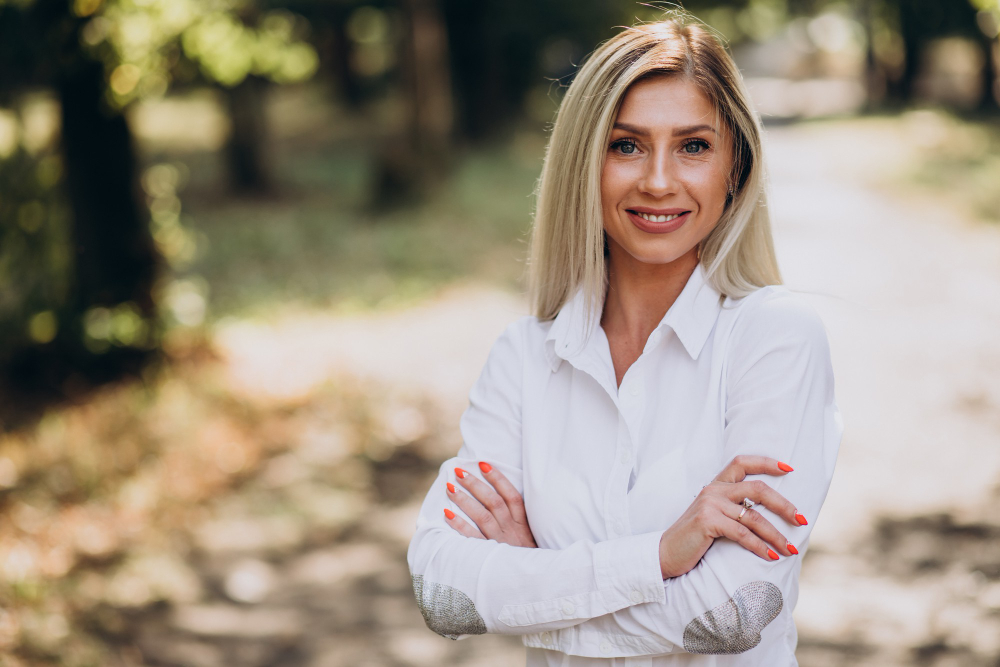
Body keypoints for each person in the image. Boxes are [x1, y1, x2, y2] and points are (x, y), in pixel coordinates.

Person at [407, 12, 842, 666]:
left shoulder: (775, 338)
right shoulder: (524, 357)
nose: (659, 180)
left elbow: (733, 609)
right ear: (585, 163)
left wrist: (535, 579)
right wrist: (658, 556)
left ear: (735, 167)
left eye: (693, 146)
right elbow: (444, 591)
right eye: (626, 145)